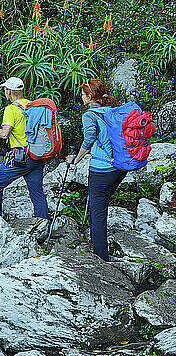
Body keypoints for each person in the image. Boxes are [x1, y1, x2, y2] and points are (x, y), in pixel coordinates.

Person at [65, 79, 124, 262]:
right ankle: (97, 245)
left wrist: (75, 159)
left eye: (83, 94)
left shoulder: (90, 115)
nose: (81, 97)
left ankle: (101, 258)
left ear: (90, 96)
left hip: (102, 170)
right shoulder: (113, 110)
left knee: (97, 214)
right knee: (102, 206)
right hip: (119, 169)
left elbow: (89, 139)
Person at [0, 77, 49, 219]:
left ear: (10, 91)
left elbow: (5, 134)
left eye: (5, 89)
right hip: (37, 156)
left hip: (20, 157)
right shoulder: (32, 106)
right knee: (37, 192)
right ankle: (43, 223)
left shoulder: (11, 109)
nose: (5, 92)